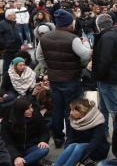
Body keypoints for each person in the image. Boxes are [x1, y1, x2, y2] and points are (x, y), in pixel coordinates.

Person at [36, 9, 92, 147]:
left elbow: (39, 57)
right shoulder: (73, 39)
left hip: (54, 79)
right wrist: (85, 43)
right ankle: (70, 138)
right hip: (71, 79)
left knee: (57, 109)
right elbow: (86, 56)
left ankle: (58, 138)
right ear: (69, 24)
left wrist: (51, 67)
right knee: (72, 109)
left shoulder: (44, 38)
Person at [41, 98, 108, 166]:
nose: (70, 112)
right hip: (79, 147)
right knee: (72, 145)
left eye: (73, 110)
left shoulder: (97, 121)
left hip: (98, 149)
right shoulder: (73, 120)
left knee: (78, 146)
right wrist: (67, 152)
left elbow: (96, 141)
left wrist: (80, 156)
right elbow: (70, 138)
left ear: (81, 111)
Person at [92, 13, 117, 132]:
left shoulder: (107, 37)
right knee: (104, 107)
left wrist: (98, 75)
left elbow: (105, 59)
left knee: (112, 108)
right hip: (109, 75)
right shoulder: (114, 34)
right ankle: (105, 130)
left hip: (107, 77)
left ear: (99, 25)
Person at [0, 96, 51, 166]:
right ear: (20, 111)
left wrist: (43, 141)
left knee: (44, 149)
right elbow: (7, 142)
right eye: (28, 109)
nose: (32, 110)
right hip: (14, 149)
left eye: (31, 107)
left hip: (30, 147)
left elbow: (44, 131)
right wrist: (16, 156)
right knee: (3, 158)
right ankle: (33, 160)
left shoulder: (36, 115)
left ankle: (17, 165)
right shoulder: (8, 121)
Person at [0, 9, 22, 74]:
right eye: (14, 15)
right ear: (9, 16)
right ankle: (5, 79)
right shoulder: (2, 24)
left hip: (16, 48)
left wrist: (20, 43)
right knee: (7, 66)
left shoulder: (14, 23)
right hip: (8, 49)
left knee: (16, 65)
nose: (15, 16)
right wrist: (6, 45)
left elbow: (17, 35)